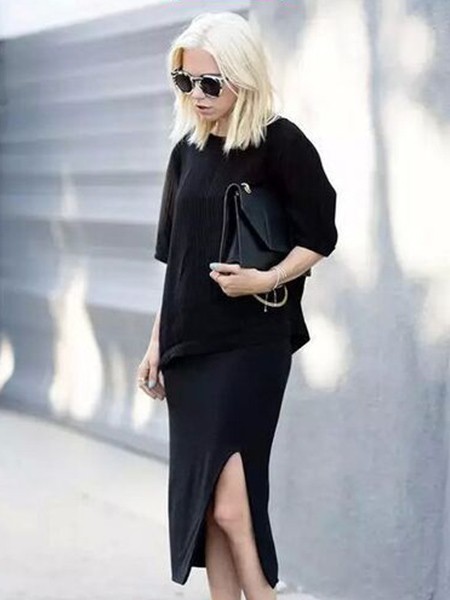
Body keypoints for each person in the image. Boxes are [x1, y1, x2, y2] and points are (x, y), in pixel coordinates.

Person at [136, 11, 338, 600]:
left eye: (209, 82)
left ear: (243, 76)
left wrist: (264, 279)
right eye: (185, 81)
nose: (196, 94)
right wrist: (155, 345)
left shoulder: (281, 143)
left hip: (251, 346)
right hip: (188, 350)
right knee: (208, 510)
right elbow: (176, 261)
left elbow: (319, 236)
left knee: (230, 506)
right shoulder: (186, 152)